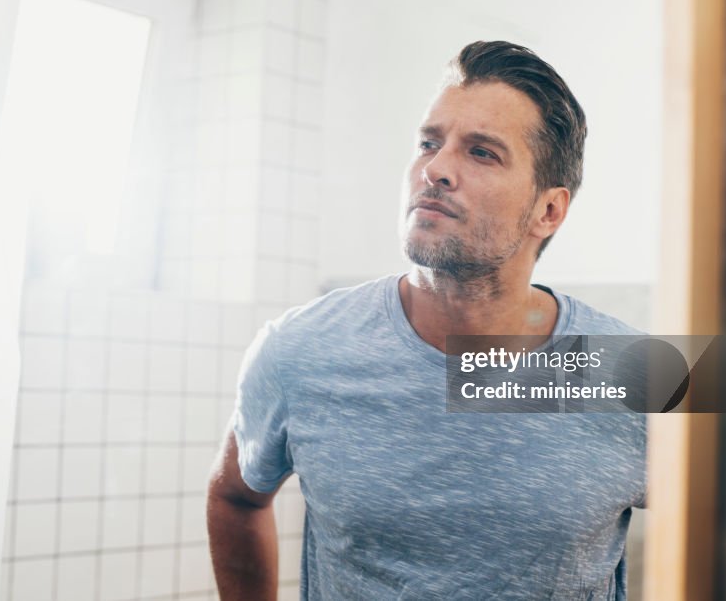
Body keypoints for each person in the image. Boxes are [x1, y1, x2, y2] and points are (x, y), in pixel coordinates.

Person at [207, 40, 647, 600]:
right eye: (428, 143)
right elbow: (235, 497)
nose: (436, 169)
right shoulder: (301, 350)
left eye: (482, 152)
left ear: (549, 209)